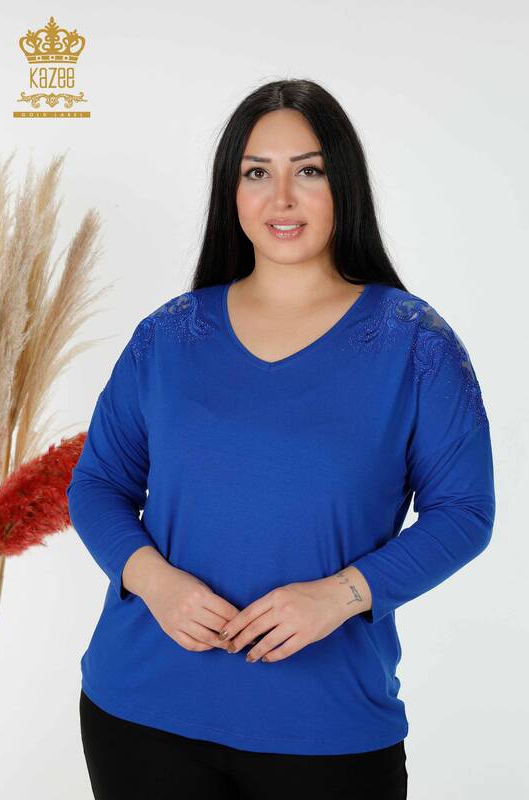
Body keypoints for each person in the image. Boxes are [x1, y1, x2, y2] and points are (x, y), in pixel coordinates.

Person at [67, 78, 495, 800]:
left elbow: (464, 512)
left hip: (326, 726)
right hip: (139, 711)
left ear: (344, 185)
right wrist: (155, 582)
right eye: (257, 173)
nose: (282, 199)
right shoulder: (168, 337)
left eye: (309, 171)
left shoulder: (414, 343)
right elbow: (98, 483)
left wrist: (342, 595)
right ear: (231, 191)